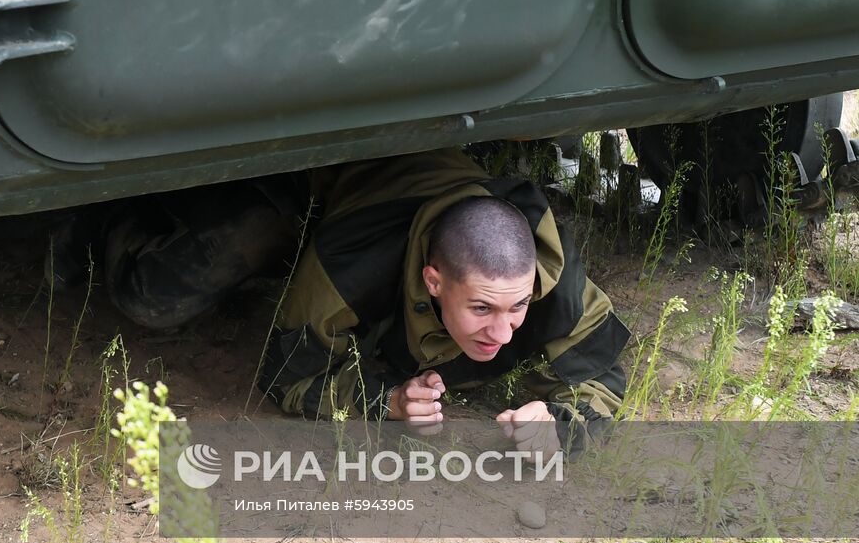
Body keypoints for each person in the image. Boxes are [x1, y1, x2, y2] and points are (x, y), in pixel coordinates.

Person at [63, 146, 629, 452]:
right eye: (481, 309)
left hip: (423, 172)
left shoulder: (542, 271)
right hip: (309, 173)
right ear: (433, 281)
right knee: (155, 299)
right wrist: (384, 401)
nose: (504, 334)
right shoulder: (352, 270)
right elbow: (287, 374)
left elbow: (602, 370)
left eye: (517, 308)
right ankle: (109, 212)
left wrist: (560, 423)